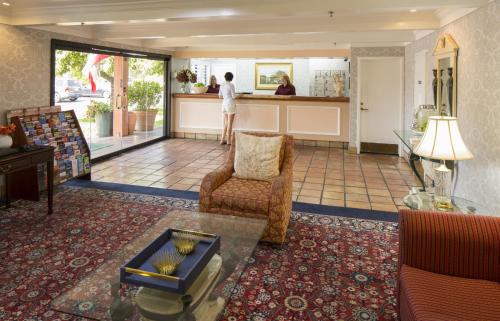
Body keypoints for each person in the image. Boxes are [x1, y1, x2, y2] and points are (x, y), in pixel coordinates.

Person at [219, 72, 237, 145]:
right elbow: (234, 96)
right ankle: (229, 141)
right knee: (230, 123)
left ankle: (222, 139)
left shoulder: (221, 85)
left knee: (226, 123)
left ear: (225, 77)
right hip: (230, 104)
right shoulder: (231, 85)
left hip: (224, 104)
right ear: (232, 78)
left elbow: (220, 96)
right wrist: (241, 95)